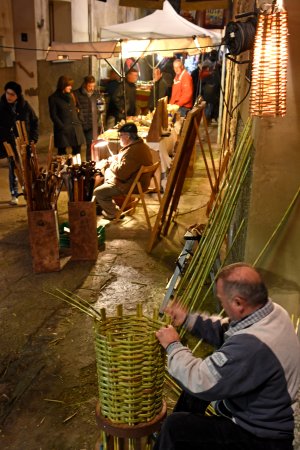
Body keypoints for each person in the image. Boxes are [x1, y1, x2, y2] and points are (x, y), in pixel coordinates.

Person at [154, 262, 300, 450]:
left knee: (175, 427)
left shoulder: (252, 346)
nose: (221, 305)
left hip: (260, 437)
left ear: (238, 302)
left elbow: (200, 379)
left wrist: (173, 346)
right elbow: (227, 329)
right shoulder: (273, 312)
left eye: (222, 301)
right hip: (263, 411)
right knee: (197, 390)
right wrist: (188, 320)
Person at [93, 122, 153, 220]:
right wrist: (119, 158)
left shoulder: (133, 151)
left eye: (121, 135)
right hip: (140, 182)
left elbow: (121, 174)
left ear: (128, 136)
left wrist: (113, 162)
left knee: (98, 192)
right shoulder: (140, 146)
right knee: (108, 172)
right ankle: (108, 200)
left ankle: (114, 213)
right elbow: (130, 163)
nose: (120, 137)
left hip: (132, 185)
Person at [0, 81, 38, 205]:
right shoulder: (1, 106)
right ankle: (14, 194)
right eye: (7, 93)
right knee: (13, 167)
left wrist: (33, 138)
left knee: (27, 168)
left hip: (24, 142)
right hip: (9, 143)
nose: (9, 96)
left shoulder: (25, 106)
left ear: (17, 95)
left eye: (12, 94)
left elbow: (34, 121)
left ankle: (29, 194)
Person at [48, 75, 85, 156]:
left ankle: (76, 167)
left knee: (77, 152)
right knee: (62, 154)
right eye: (69, 85)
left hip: (76, 127)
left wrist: (80, 119)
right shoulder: (53, 98)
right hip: (63, 130)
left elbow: (79, 107)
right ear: (62, 85)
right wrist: (62, 126)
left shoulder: (72, 95)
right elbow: (53, 115)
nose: (71, 87)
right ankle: (64, 168)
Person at [73, 75, 100, 161]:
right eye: (89, 86)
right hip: (80, 124)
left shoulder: (96, 94)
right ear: (84, 84)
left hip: (91, 124)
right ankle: (76, 164)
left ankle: (89, 163)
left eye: (93, 86)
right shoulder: (76, 94)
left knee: (90, 145)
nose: (92, 88)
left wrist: (97, 117)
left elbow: (100, 107)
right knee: (77, 146)